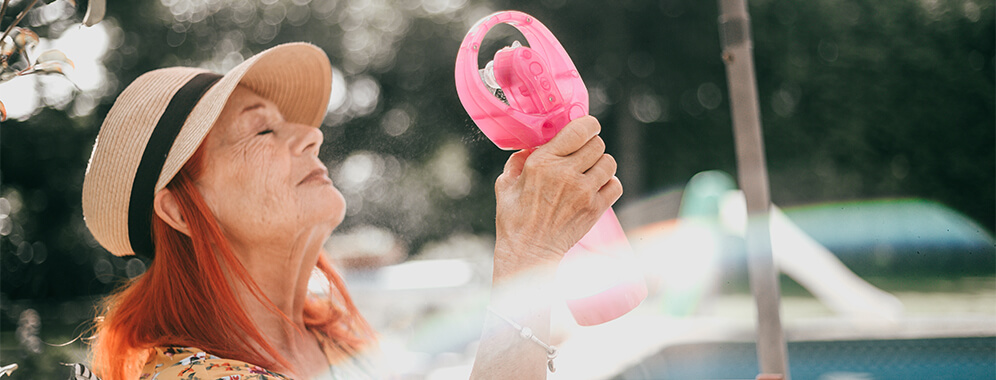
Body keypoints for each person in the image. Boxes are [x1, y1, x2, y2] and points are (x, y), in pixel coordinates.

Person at [82, 42, 621, 379]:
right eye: (262, 130)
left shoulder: (334, 341)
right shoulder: (190, 376)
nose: (312, 137)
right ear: (178, 209)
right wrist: (527, 255)